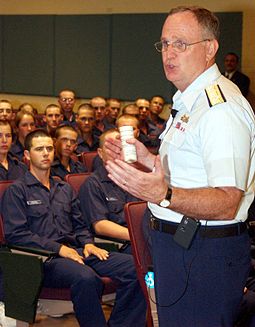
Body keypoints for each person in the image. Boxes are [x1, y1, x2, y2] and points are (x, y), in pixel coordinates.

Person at [105, 6, 255, 327]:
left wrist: (164, 194)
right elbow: (191, 168)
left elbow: (228, 201)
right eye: (165, 43)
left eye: (181, 44)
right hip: (179, 245)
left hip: (203, 254)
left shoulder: (220, 109)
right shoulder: (189, 100)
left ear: (210, 48)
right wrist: (147, 159)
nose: (169, 53)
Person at [2, 129, 146, 327]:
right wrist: (59, 249)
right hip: (44, 259)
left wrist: (88, 243)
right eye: (39, 149)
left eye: (49, 148)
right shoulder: (16, 191)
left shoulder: (64, 189)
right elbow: (16, 235)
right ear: (27, 155)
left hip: (77, 251)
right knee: (86, 277)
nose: (46, 153)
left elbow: (80, 226)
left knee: (135, 268)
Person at [79, 129, 140, 254]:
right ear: (100, 153)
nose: (117, 151)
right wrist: (137, 236)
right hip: (118, 244)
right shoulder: (93, 184)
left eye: (120, 147)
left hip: (141, 237)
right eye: (111, 148)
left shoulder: (136, 179)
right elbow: (100, 226)